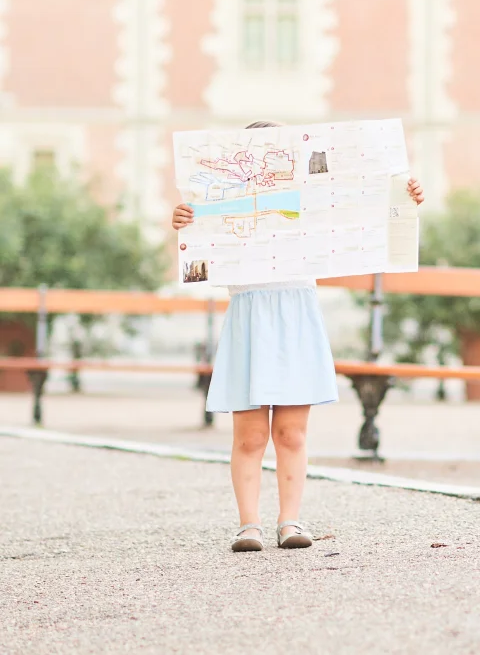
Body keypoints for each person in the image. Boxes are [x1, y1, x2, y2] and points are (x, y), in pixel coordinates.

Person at [172, 121, 424, 552]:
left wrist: (406, 194)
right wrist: (184, 223)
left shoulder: (314, 203)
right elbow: (202, 245)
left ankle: (290, 521)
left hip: (295, 317)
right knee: (249, 436)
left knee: (291, 433)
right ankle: (247, 524)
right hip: (249, 318)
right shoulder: (225, 200)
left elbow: (359, 207)